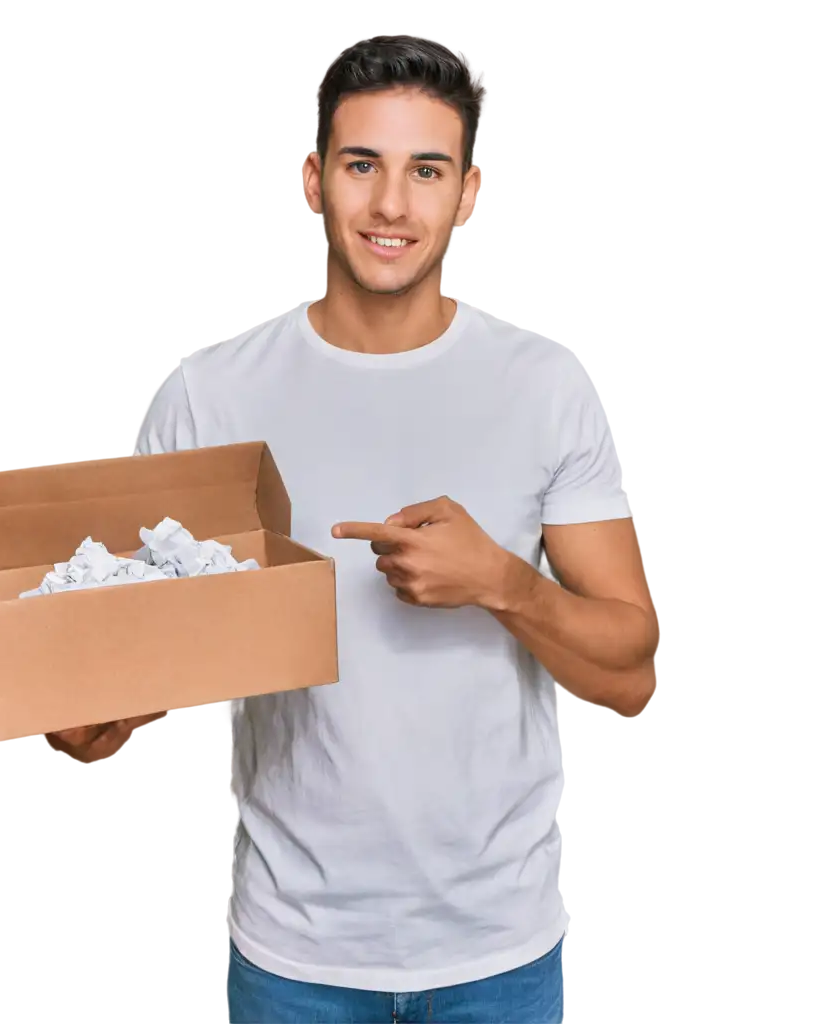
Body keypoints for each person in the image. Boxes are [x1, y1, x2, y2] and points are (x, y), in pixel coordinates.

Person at [51, 35, 657, 1024]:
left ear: (468, 193)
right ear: (310, 181)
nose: (390, 204)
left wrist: (503, 580)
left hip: (496, 950)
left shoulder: (543, 388)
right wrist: (87, 711)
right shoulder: (208, 394)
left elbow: (628, 667)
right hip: (293, 952)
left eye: (426, 170)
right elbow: (129, 654)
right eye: (359, 164)